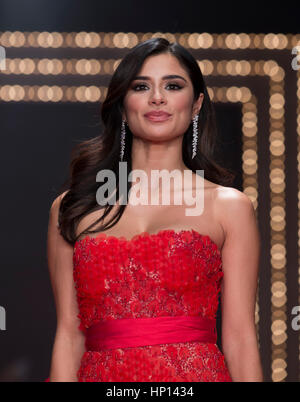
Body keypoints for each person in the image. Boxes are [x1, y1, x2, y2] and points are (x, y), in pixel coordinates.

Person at [46, 37, 263, 382]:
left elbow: (239, 339)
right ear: (123, 104)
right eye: (141, 86)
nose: (157, 97)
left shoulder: (229, 207)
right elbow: (69, 337)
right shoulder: (73, 208)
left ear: (196, 105)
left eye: (173, 86)